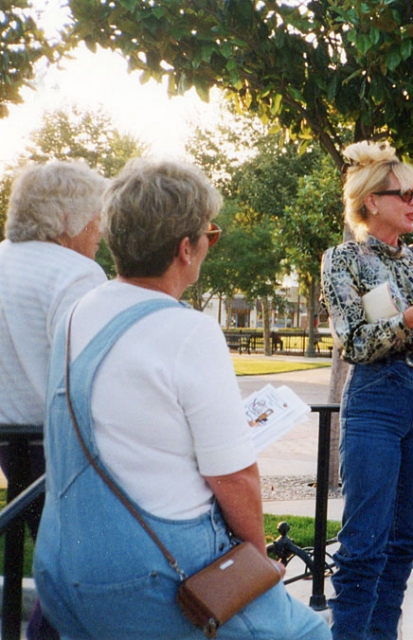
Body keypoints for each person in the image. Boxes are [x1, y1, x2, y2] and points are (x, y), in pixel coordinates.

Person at [33, 158, 330, 640]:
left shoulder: (75, 313)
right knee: (309, 634)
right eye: (209, 235)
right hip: (151, 576)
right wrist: (256, 564)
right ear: (185, 249)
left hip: (62, 570)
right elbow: (233, 476)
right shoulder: (188, 330)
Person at [320, 140, 413, 640]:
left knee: (405, 540)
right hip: (377, 397)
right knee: (364, 544)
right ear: (370, 202)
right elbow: (355, 342)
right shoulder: (343, 260)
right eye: (403, 193)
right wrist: (411, 318)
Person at [0, 160, 108, 640]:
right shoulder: (78, 273)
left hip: (10, 441)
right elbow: (90, 374)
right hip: (59, 448)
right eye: (96, 218)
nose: (100, 231)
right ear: (67, 221)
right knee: (77, 573)